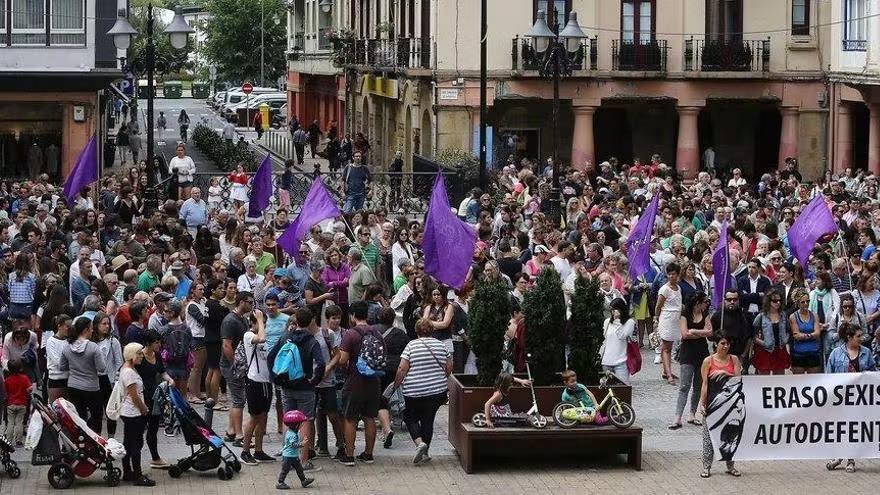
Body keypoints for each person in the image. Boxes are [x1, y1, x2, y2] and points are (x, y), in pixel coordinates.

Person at [393, 317, 451, 464]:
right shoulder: (441, 345)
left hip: (414, 391)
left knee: (409, 416)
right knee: (428, 419)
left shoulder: (411, 346)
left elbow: (402, 368)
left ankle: (420, 444)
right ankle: (425, 453)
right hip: (438, 391)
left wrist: (396, 384)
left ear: (416, 330)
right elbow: (449, 367)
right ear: (432, 330)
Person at [336, 300, 384, 466]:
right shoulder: (377, 333)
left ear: (353, 316)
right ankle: (368, 454)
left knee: (350, 418)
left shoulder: (350, 334)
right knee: (369, 417)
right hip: (374, 381)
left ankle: (349, 455)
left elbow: (342, 360)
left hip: (355, 381)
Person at [825, 323, 875, 473]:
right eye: (858, 336)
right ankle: (839, 456)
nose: (862, 339)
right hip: (841, 399)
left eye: (862, 336)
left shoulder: (866, 352)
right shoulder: (835, 353)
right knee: (841, 429)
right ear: (849, 337)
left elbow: (873, 373)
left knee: (854, 428)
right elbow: (828, 376)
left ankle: (850, 459)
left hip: (860, 399)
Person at [698, 334, 742, 478]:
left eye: (728, 343)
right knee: (708, 437)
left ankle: (730, 465)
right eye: (723, 343)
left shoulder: (734, 359)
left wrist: (724, 373)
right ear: (716, 344)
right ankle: (706, 467)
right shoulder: (708, 361)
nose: (726, 346)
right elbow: (704, 384)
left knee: (731, 435)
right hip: (712, 402)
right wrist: (702, 403)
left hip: (730, 403)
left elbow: (737, 379)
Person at [238, 301, 276, 466]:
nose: (263, 325)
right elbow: (261, 338)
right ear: (252, 323)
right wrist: (259, 319)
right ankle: (245, 451)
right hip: (254, 382)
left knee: (263, 417)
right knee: (254, 417)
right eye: (261, 322)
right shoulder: (248, 336)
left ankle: (259, 451)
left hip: (266, 382)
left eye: (265, 323)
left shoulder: (263, 337)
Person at [670, 292, 712, 429]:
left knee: (698, 386)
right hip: (687, 353)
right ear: (697, 303)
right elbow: (684, 334)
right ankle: (677, 416)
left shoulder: (705, 314)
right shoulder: (685, 315)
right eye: (703, 302)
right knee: (684, 386)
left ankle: (692, 413)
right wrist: (700, 333)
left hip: (702, 353)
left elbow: (710, 332)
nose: (705, 304)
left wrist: (693, 331)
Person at [118, 342, 157, 486]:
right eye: (139, 354)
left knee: (128, 442)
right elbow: (134, 396)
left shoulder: (126, 369)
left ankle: (128, 471)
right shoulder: (129, 372)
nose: (141, 356)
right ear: (132, 355)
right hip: (133, 413)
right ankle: (138, 475)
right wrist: (144, 409)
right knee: (136, 444)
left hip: (128, 412)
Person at [60, 317, 106, 434]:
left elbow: (62, 367)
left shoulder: (67, 347)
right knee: (96, 416)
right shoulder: (93, 347)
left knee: (78, 417)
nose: (92, 331)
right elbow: (101, 368)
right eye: (90, 329)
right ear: (85, 330)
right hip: (92, 387)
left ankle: (79, 439)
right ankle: (94, 438)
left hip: (73, 386)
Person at [136, 329, 174, 469]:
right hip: (141, 397)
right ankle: (136, 458)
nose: (159, 345)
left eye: (159, 342)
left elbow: (162, 372)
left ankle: (155, 457)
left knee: (153, 428)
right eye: (156, 342)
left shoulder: (156, 355)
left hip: (154, 396)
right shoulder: (139, 356)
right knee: (139, 430)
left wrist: (169, 379)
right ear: (148, 343)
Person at [220, 291, 253, 445]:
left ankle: (231, 430)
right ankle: (239, 435)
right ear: (241, 302)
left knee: (237, 399)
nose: (251, 305)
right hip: (232, 366)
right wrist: (235, 364)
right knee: (239, 400)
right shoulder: (230, 321)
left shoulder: (243, 319)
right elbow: (226, 345)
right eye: (250, 302)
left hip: (238, 365)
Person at [93, 312, 122, 437]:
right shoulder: (91, 341)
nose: (106, 326)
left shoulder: (113, 341)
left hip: (108, 379)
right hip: (94, 379)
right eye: (103, 324)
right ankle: (97, 437)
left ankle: (111, 438)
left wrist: (116, 380)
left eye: (108, 324)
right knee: (97, 412)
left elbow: (118, 361)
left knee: (110, 411)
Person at [752, 290, 791, 375]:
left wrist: (785, 340)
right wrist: (763, 343)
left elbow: (788, 330)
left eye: (779, 301)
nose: (778, 303)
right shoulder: (761, 316)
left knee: (779, 379)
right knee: (764, 379)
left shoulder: (783, 315)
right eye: (774, 301)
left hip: (780, 350)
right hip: (765, 351)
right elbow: (753, 335)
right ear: (768, 301)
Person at [654, 263, 682, 384]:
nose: (671, 276)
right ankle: (669, 374)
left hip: (675, 319)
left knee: (669, 346)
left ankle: (666, 371)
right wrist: (656, 318)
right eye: (669, 274)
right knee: (666, 347)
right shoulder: (664, 289)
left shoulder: (678, 288)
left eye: (673, 274)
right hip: (667, 318)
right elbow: (658, 306)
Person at [276, 410, 315, 489]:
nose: (301, 425)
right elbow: (293, 445)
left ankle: (303, 480)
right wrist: (302, 444)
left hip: (294, 455)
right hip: (288, 456)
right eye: (300, 424)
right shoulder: (292, 435)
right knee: (285, 470)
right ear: (296, 425)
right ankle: (280, 482)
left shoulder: (293, 431)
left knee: (299, 469)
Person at [788, 288, 824, 374]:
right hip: (798, 354)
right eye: (803, 302)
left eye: (808, 301)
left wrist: (804, 336)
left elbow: (818, 333)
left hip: (813, 353)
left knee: (814, 382)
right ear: (797, 303)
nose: (806, 304)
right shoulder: (793, 316)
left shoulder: (814, 315)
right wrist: (811, 335)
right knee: (799, 383)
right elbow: (796, 335)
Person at [600, 298, 635, 384]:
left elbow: (622, 336)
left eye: (616, 309)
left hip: (621, 362)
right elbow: (604, 339)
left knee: (623, 389)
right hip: (606, 361)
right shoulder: (607, 322)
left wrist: (617, 321)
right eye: (612, 309)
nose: (613, 312)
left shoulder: (629, 322)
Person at [3, 360, 32, 446]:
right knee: (20, 422)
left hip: (11, 404)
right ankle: (18, 440)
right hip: (22, 404)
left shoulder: (7, 380)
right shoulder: (24, 378)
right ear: (20, 368)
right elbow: (30, 388)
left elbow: (5, 392)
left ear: (8, 369)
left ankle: (8, 440)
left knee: (10, 422)